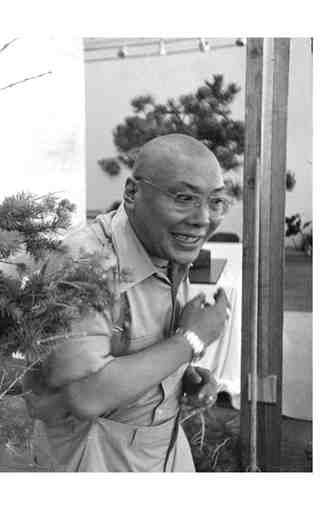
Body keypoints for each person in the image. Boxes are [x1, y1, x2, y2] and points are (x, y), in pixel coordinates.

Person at [24, 133, 232, 472]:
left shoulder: (167, 248)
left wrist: (180, 373)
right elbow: (85, 394)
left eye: (216, 201)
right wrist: (190, 342)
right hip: (97, 459)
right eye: (184, 198)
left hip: (165, 453)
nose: (203, 218)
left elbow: (130, 347)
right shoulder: (84, 263)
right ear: (132, 193)